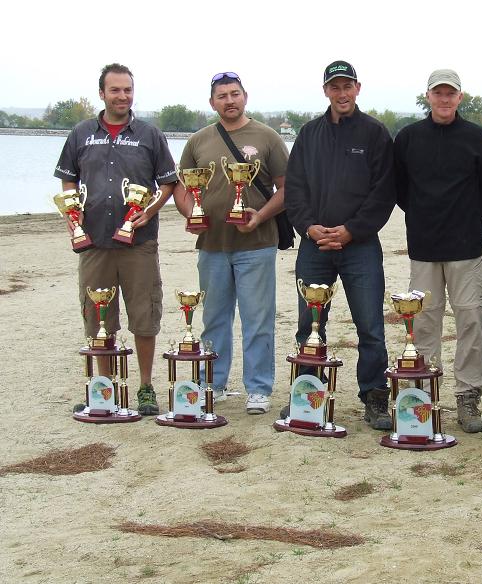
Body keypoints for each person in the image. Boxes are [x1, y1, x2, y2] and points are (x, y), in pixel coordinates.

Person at [54, 63, 177, 415]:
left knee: (144, 314)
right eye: (115, 90)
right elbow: (68, 179)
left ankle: (145, 388)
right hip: (93, 242)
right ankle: (104, 388)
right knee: (98, 315)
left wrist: (149, 212)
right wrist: (72, 215)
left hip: (138, 243)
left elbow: (169, 182)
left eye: (128, 90)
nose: (122, 96)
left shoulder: (150, 135)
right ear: (102, 93)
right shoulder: (80, 133)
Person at [284, 60, 396, 430]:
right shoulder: (309, 133)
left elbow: (384, 193)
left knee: (370, 327)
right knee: (309, 324)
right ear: (326, 91)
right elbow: (294, 188)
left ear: (358, 88)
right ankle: (306, 395)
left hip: (360, 246)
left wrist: (351, 230)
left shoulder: (375, 134)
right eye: (335, 87)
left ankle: (375, 397)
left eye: (348, 86)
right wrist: (310, 228)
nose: (342, 93)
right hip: (314, 246)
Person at [173, 71, 288, 415]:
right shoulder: (198, 141)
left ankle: (258, 388)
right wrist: (191, 215)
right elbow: (181, 188)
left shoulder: (267, 138)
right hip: (211, 245)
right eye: (222, 96)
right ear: (212, 103)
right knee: (215, 318)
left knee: (258, 318)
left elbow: (288, 188)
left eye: (234, 94)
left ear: (245, 96)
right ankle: (215, 383)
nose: (229, 101)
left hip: (257, 244)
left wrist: (260, 216)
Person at [394, 69, 482, 433]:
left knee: (471, 320)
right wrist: (426, 220)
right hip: (423, 247)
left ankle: (468, 397)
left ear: (459, 97)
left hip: (466, 248)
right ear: (428, 96)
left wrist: (467, 224)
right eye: (438, 93)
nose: (444, 99)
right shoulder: (408, 138)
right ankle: (422, 393)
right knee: (424, 321)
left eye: (450, 93)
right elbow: (402, 191)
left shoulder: (479, 139)